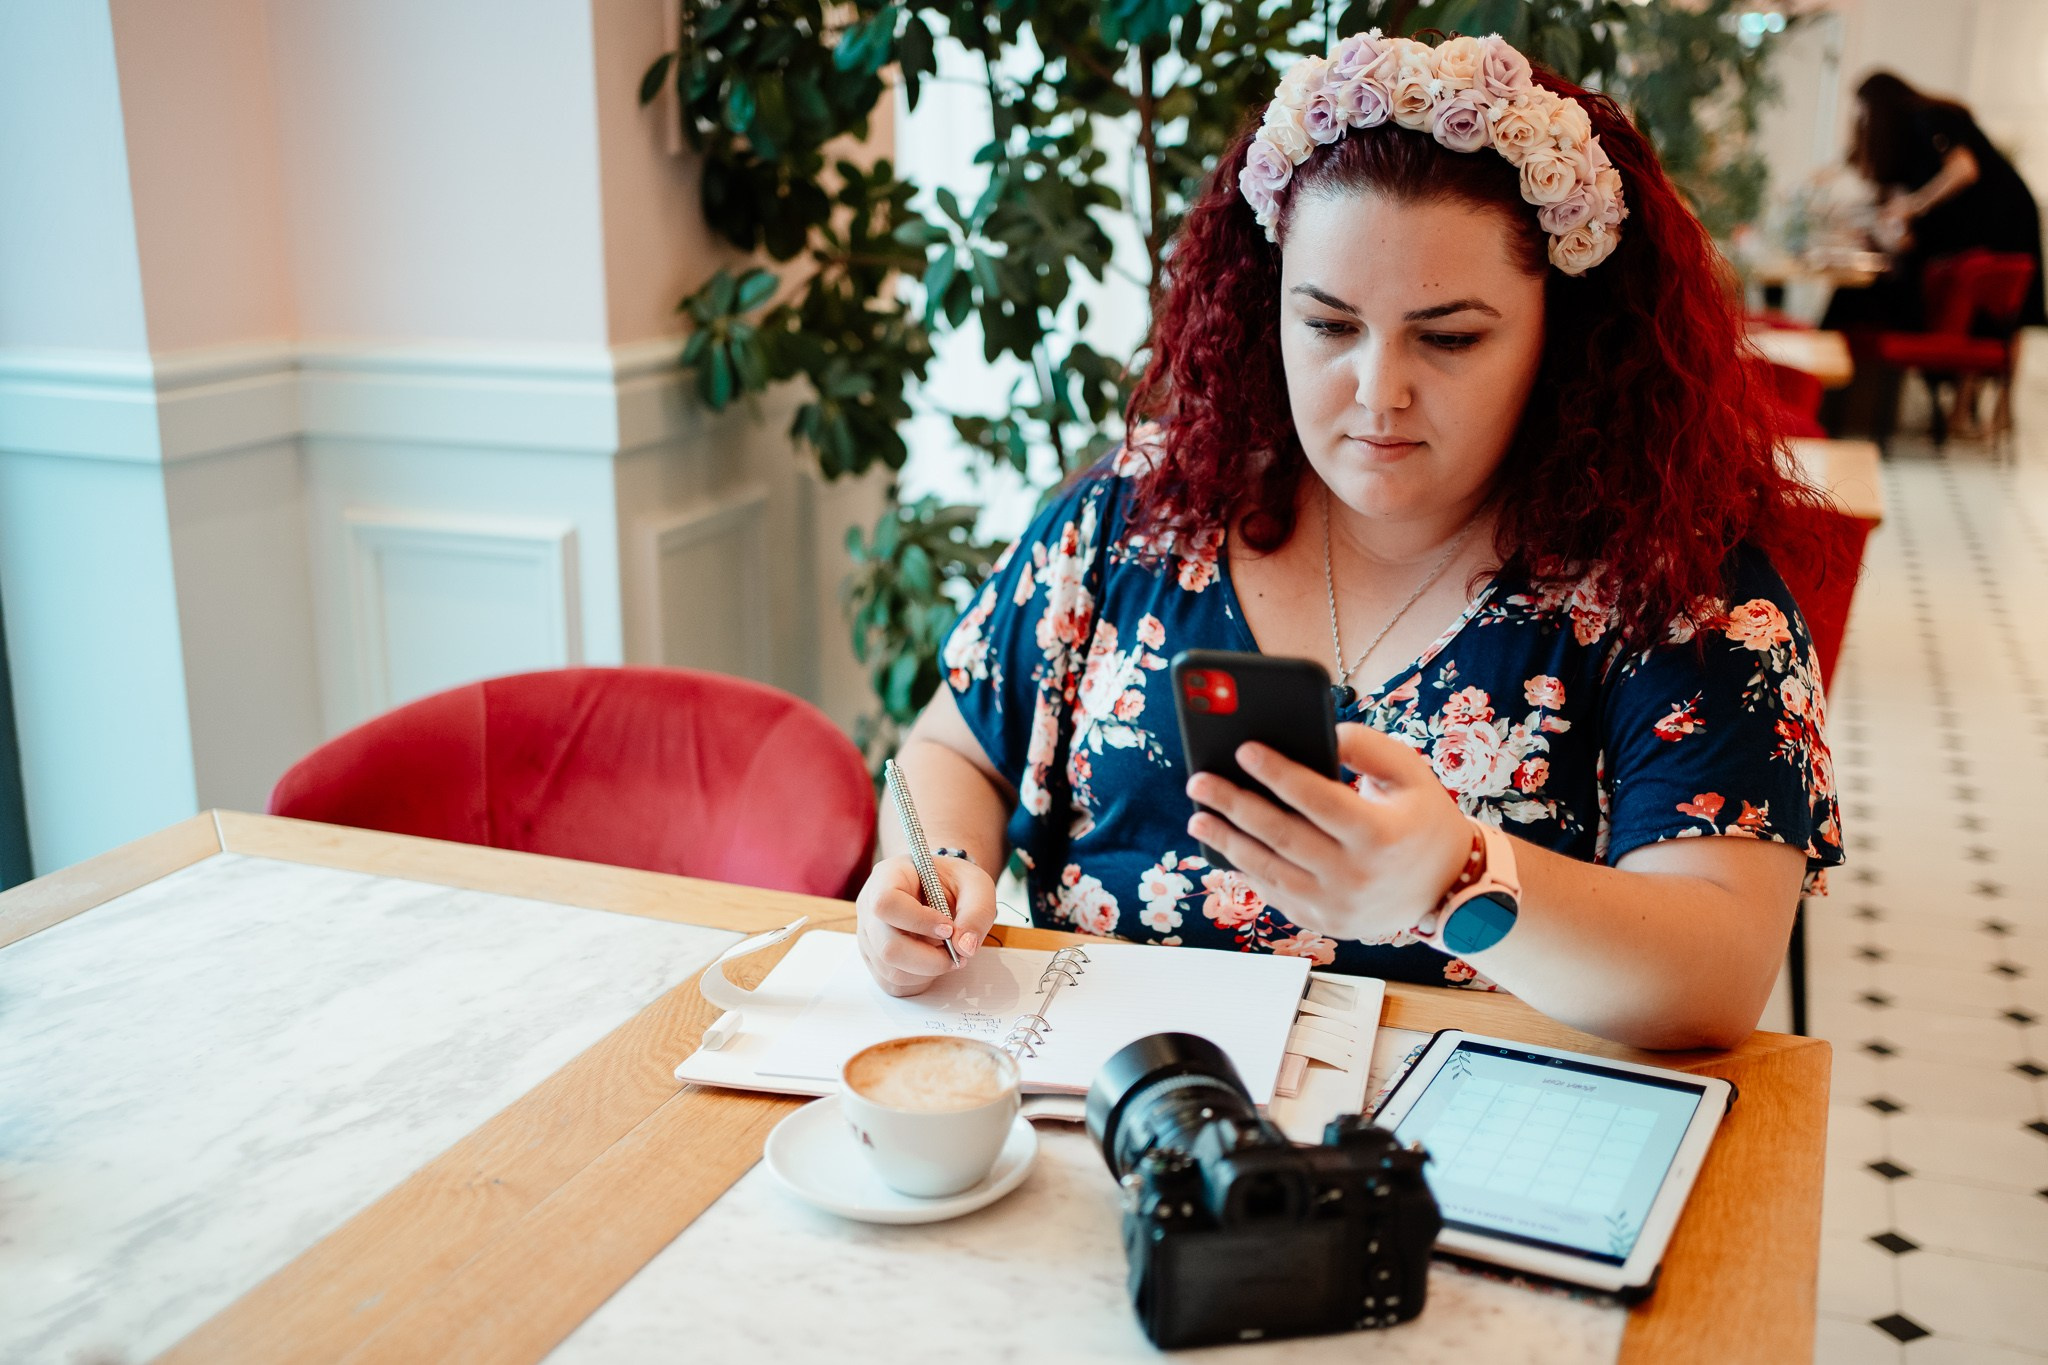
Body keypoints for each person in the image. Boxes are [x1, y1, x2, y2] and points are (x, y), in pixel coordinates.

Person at [856, 31, 1843, 1051]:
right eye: (1326, 326)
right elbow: (952, 748)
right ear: (1263, 307)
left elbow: (1714, 974)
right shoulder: (1133, 519)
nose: (1377, 392)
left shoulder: (1674, 591)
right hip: (1105, 1116)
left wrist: (1460, 878)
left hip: (1462, 1168)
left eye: (1448, 337)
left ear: (1564, 334)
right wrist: (939, 875)